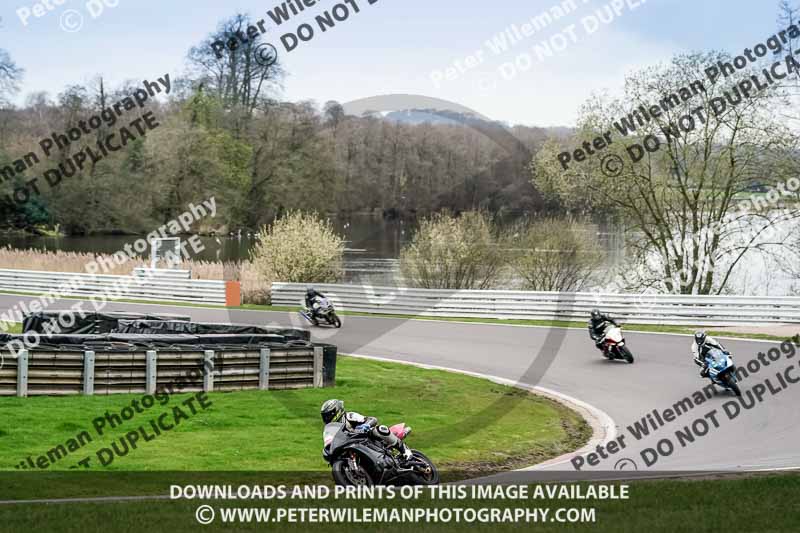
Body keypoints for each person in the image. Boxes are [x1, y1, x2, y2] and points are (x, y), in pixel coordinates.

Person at [320, 399, 413, 461]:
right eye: (324, 416)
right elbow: (330, 440)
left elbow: (372, 419)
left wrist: (365, 425)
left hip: (365, 437)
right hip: (351, 444)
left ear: (336, 411)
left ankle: (404, 450)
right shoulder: (331, 428)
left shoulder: (349, 416)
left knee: (380, 429)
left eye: (328, 415)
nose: (326, 418)